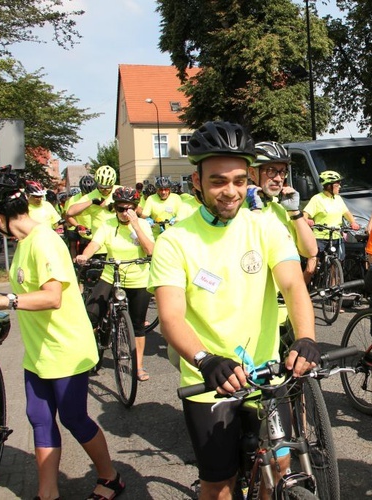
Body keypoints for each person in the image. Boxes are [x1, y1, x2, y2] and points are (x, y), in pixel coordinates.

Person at [148, 121, 318, 499]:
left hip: (265, 376)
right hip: (210, 382)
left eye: (239, 180)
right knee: (218, 483)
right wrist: (206, 359)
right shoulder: (175, 241)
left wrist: (306, 336)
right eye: (218, 181)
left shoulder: (266, 227)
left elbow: (292, 284)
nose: (231, 191)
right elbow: (171, 317)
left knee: (279, 466)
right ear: (197, 181)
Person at [0, 167, 124, 500]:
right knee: (38, 418)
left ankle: (110, 478)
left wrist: (6, 299)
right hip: (39, 352)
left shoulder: (44, 241)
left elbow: (52, 296)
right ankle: (47, 492)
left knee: (75, 418)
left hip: (66, 349)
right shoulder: (24, 242)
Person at [75, 187, 155, 382]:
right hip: (112, 274)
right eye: (120, 208)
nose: (124, 213)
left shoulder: (142, 225)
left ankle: (138, 366)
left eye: (129, 208)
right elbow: (95, 243)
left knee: (137, 325)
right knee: (91, 314)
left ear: (135, 208)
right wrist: (85, 256)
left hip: (138, 278)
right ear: (115, 208)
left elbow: (151, 250)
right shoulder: (108, 224)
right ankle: (91, 352)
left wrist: (136, 226)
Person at [248, 141, 318, 282]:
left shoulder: (281, 207)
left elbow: (310, 251)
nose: (279, 178)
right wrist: (255, 211)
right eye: (271, 171)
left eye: (282, 172)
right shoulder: (238, 210)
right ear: (252, 173)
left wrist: (295, 212)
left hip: (285, 299)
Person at [303, 170, 361, 262]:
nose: (340, 186)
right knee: (311, 268)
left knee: (336, 265)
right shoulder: (317, 199)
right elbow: (305, 214)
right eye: (337, 185)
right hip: (320, 237)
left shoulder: (338, 198)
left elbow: (346, 212)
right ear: (329, 186)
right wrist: (307, 220)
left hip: (336, 236)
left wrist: (353, 222)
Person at [67, 165, 120, 239]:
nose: (105, 190)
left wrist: (112, 206)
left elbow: (135, 208)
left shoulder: (120, 190)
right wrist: (92, 201)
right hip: (99, 243)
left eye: (108, 188)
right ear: (97, 184)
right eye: (101, 187)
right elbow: (70, 212)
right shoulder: (90, 196)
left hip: (118, 238)